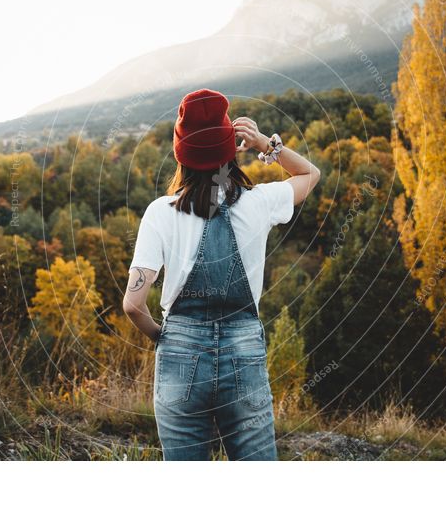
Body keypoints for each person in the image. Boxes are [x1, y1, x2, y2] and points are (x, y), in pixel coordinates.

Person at [122, 88, 321, 460]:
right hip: (243, 351)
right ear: (231, 150)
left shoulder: (160, 213)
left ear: (182, 153)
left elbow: (133, 305)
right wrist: (267, 144)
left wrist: (169, 339)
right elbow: (310, 174)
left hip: (180, 352)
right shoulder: (260, 203)